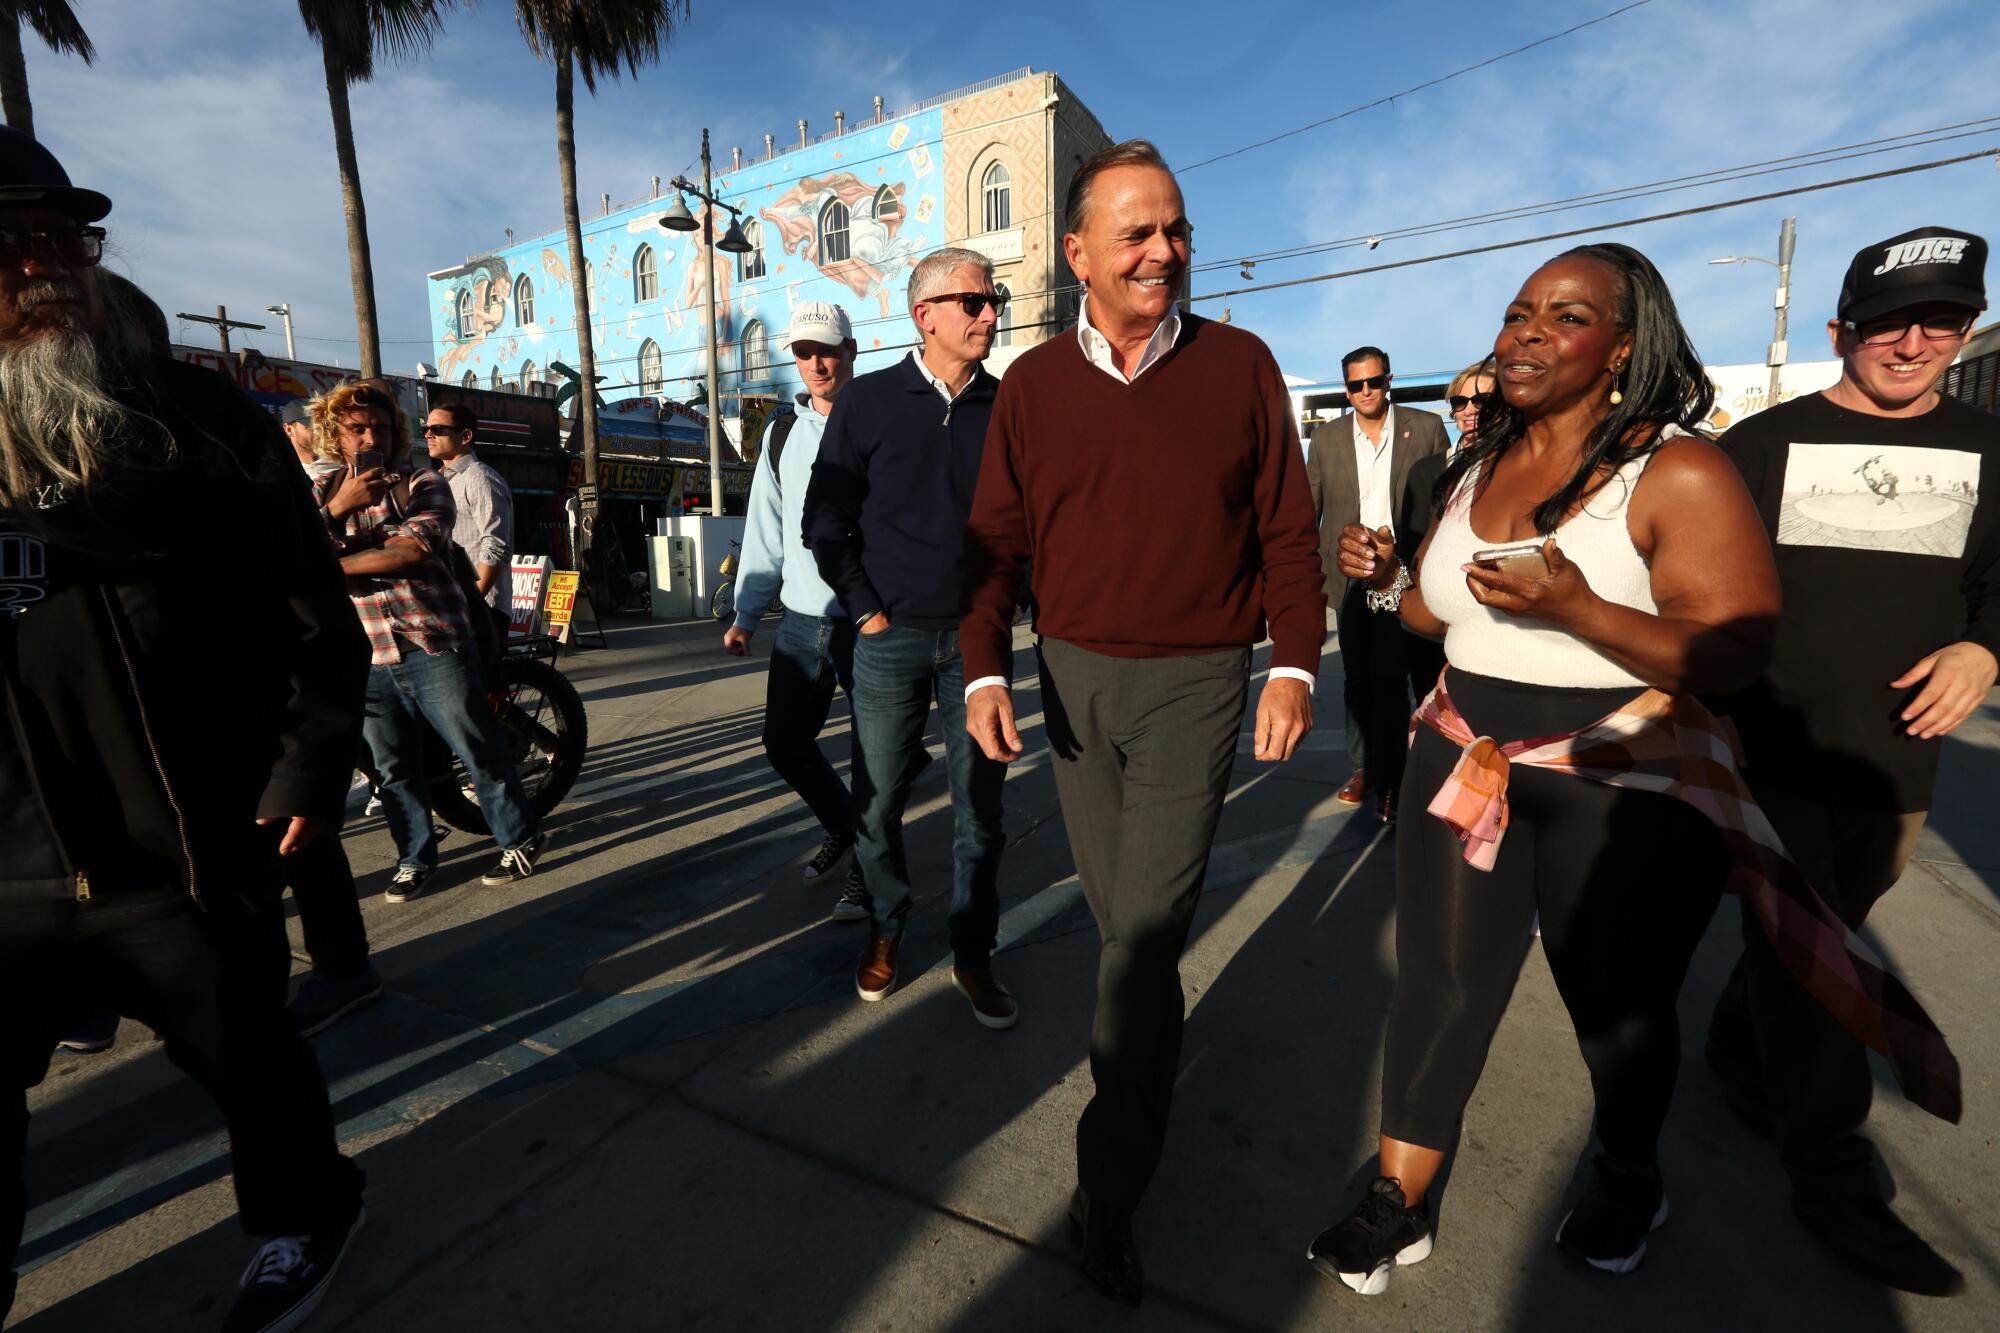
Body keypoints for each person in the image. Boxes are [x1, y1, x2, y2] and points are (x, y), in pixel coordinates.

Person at [1307, 242, 1819, 1293]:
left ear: (1623, 346)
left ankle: (1629, 1174)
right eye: (1517, 311)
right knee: (1440, 987)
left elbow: (1734, 648)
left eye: (1567, 316)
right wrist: (1394, 574)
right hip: (1463, 756)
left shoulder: (1673, 467)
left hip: (1618, 776)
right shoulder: (1473, 460)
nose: (1528, 331)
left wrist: (1582, 608)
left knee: (1614, 1004)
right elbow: (1431, 617)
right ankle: (1396, 1196)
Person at [0, 126, 368, 1331]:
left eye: (63, 238)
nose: (46, 266)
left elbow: (309, 607)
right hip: (8, 866)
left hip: (183, 841)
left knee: (249, 1059)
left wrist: (309, 759)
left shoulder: (196, 417)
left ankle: (307, 1212)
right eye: (13, 246)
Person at [962, 139, 1325, 1307]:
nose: (1163, 250)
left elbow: (1285, 530)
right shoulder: (1028, 386)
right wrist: (982, 675)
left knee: (1145, 939)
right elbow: (996, 548)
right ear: (1076, 254)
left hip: (1197, 680)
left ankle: (1104, 1191)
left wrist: (1294, 667)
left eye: (1174, 228)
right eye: (1136, 233)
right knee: (1124, 930)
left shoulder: (1239, 364)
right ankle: (1131, 1099)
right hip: (1070, 679)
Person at [1705, 226, 1995, 1297]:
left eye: (1941, 319)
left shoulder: (1987, 446)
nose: (1913, 340)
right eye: (1886, 321)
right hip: (1766, 749)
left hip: (1895, 766)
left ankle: (1737, 1052)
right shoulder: (1757, 447)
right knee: (1813, 954)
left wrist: (1982, 645)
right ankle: (1829, 1174)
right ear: (1839, 330)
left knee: (1814, 931)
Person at [802, 247, 1014, 1025]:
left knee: (979, 809)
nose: (990, 313)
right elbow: (824, 518)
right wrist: (865, 609)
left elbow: (1031, 520)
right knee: (878, 799)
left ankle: (972, 951)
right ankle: (888, 925)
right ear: (924, 314)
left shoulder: (1008, 403)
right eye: (973, 301)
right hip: (887, 639)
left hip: (980, 644)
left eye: (994, 301)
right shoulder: (869, 402)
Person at [311, 379, 544, 898]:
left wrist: (323, 564)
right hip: (368, 651)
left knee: (478, 748)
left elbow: (411, 551)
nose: (370, 435)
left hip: (433, 641)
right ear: (336, 434)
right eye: (357, 428)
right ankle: (415, 857)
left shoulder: (421, 483)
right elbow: (287, 554)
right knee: (393, 770)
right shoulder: (320, 495)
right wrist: (337, 510)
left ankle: (520, 835)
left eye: (381, 426)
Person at [723, 301, 870, 920]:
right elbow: (766, 528)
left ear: (851, 350)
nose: (815, 362)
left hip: (868, 621)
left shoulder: (880, 421)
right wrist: (746, 614)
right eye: (804, 352)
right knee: (784, 743)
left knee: (874, 760)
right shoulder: (781, 432)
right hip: (802, 623)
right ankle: (844, 826)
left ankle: (869, 875)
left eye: (827, 350)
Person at [1306, 345, 1450, 822]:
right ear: (1346, 389)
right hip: (1348, 577)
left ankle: (1395, 778)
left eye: (1374, 381)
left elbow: (1444, 503)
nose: (1365, 391)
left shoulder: (1425, 427)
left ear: (1389, 380)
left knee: (1397, 680)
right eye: (1355, 385)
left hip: (1403, 572)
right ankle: (1364, 767)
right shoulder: (1325, 439)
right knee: (1358, 679)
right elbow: (1311, 510)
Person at [424, 401, 513, 615]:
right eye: (425, 429)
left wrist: (471, 600)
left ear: (465, 436)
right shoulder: (440, 480)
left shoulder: (479, 477)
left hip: (481, 607)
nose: (428, 435)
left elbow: (497, 545)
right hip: (451, 603)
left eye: (437, 430)